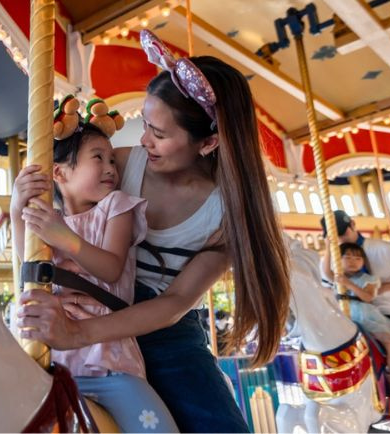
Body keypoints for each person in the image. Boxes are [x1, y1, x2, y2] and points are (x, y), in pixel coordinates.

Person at [16, 29, 291, 432]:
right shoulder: (122, 166)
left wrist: (79, 333)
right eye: (145, 124)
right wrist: (24, 197)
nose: (143, 141)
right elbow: (59, 216)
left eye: (159, 134)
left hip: (165, 336)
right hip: (86, 304)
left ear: (208, 142)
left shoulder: (226, 214)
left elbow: (174, 303)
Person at [11, 117, 178, 432]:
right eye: (97, 157)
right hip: (59, 360)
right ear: (59, 172)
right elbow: (29, 265)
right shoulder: (52, 220)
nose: (111, 167)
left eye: (112, 159)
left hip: (110, 361)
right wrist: (18, 206)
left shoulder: (117, 206)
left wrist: (66, 239)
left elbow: (111, 269)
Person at [321, 209, 390, 431]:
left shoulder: (381, 248)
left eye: (342, 231)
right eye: (335, 235)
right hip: (349, 316)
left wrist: (382, 288)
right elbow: (326, 280)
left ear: (352, 224)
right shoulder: (336, 256)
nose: (341, 238)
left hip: (389, 315)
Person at [328, 243, 390, 393]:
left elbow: (368, 297)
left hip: (365, 316)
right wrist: (328, 246)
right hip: (343, 316)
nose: (353, 261)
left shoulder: (368, 279)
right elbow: (326, 271)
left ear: (363, 262)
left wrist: (348, 284)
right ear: (338, 260)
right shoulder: (337, 278)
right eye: (347, 257)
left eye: (358, 258)